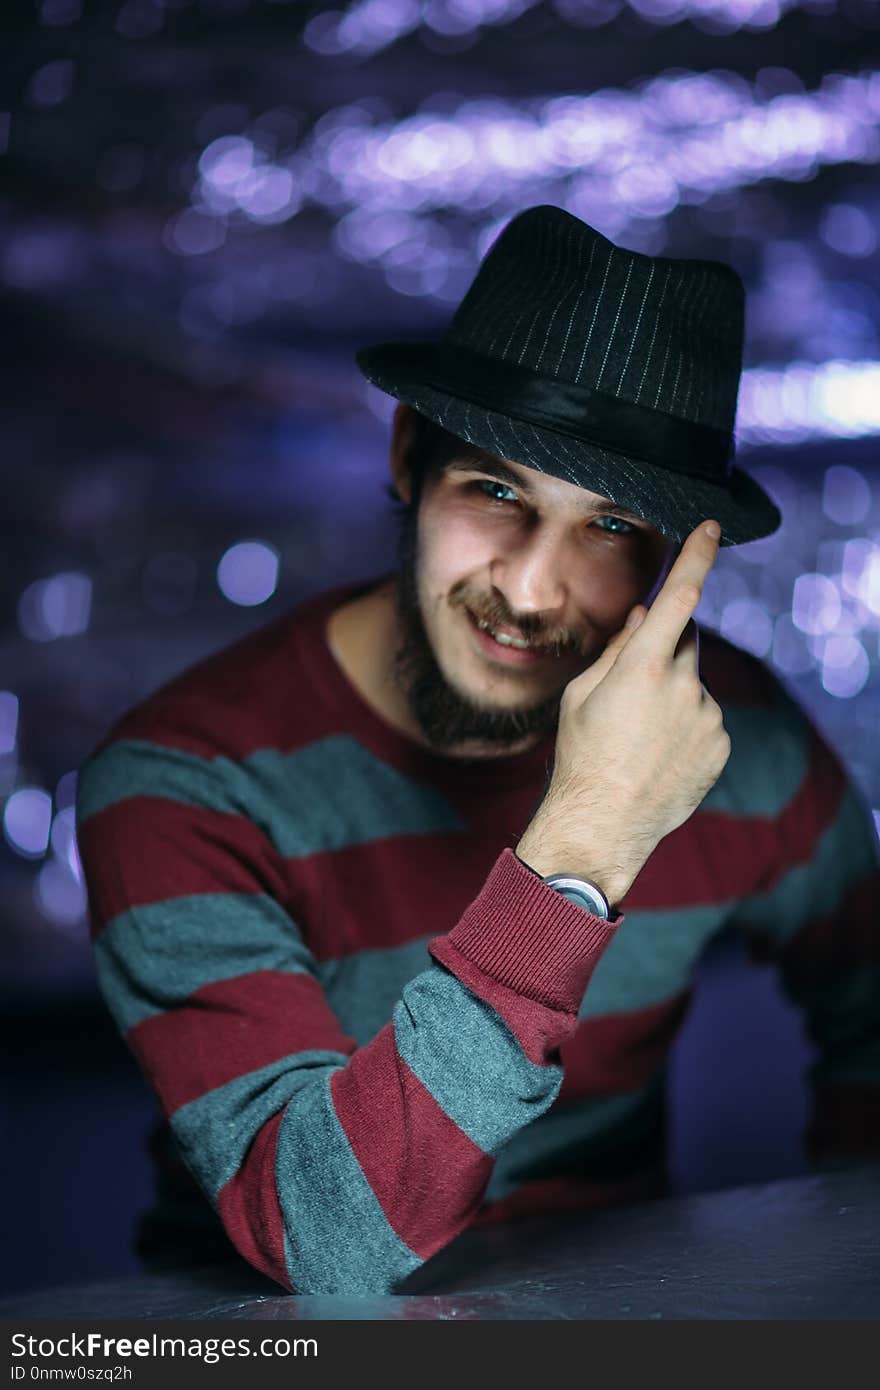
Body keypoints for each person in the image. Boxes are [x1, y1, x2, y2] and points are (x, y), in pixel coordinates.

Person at [76, 205, 880, 1296]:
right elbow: (322, 1241)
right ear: (408, 456)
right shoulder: (183, 782)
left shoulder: (740, 737)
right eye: (496, 490)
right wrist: (586, 842)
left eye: (610, 527)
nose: (530, 587)